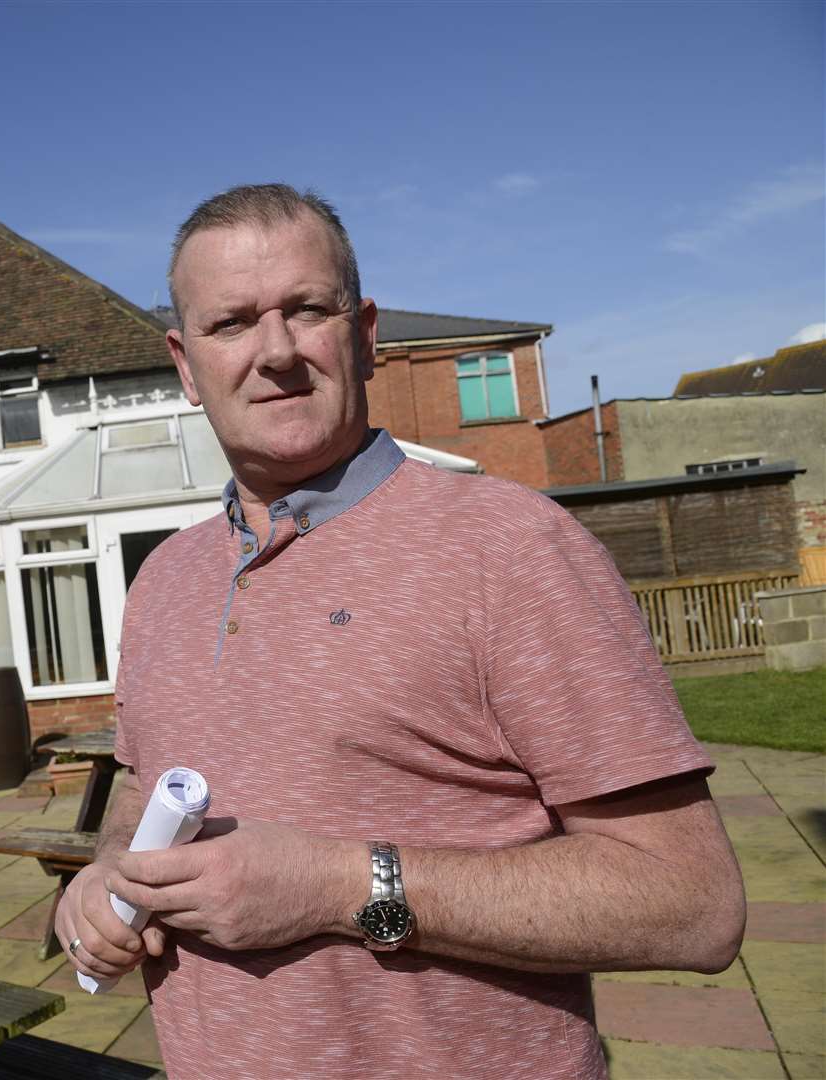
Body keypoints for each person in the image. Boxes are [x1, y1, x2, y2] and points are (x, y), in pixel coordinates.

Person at [54, 183, 745, 1080]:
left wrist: (342, 890)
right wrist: (106, 875)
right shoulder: (164, 581)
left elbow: (692, 906)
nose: (275, 353)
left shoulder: (511, 547)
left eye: (307, 309)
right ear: (186, 365)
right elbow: (142, 786)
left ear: (366, 332)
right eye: (231, 324)